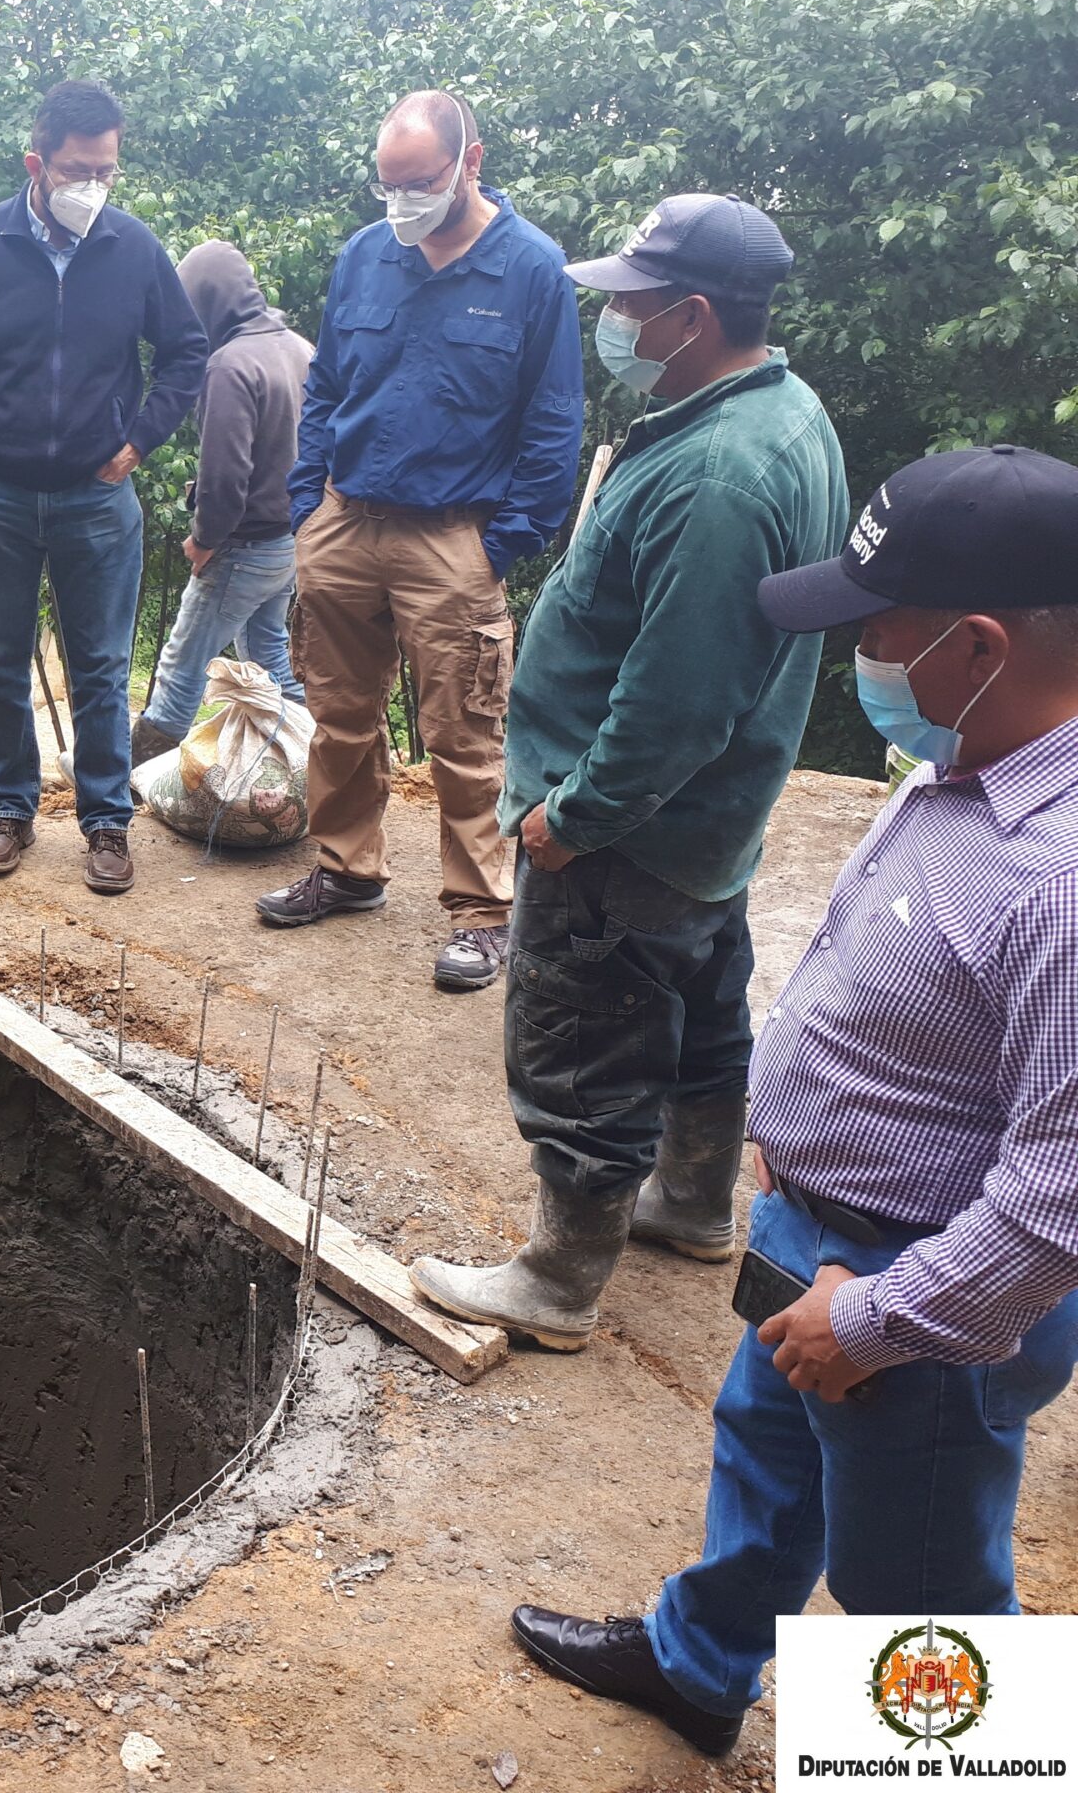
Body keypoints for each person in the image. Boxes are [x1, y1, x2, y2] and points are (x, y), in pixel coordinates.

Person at [510, 445, 1078, 1756]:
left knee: (916, 1589)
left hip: (920, 1294)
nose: (857, 656)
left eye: (878, 631)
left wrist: (873, 1321)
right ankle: (697, 1666)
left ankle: (956, 1774)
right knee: (767, 1463)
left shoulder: (1059, 880)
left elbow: (1059, 1195)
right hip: (818, 1234)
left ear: (978, 646)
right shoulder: (966, 767)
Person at [407, 194, 845, 1349]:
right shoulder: (783, 414)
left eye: (632, 304)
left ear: (691, 315)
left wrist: (573, 816)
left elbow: (676, 698)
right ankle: (692, 1201)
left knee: (582, 1040)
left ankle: (557, 1282)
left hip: (627, 830)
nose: (615, 322)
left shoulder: (718, 475)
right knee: (697, 1012)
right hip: (704, 823)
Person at [261, 92, 585, 989]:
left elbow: (554, 418)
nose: (402, 201)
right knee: (337, 716)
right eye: (388, 184)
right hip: (344, 522)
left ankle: (482, 913)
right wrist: (308, 504)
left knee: (466, 734)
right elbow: (326, 386)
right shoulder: (365, 255)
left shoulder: (532, 269)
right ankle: (346, 869)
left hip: (452, 538)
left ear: (470, 162)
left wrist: (505, 543)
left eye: (420, 182)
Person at [0, 79, 208, 895]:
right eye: (78, 170)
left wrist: (138, 442)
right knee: (0, 665)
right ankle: (11, 811)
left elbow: (185, 352)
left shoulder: (133, 248)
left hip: (97, 499)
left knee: (102, 670)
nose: (93, 187)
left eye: (106, 171)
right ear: (36, 164)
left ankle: (106, 824)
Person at [130, 240, 312, 765]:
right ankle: (314, 760)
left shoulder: (229, 366)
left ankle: (128, 776)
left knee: (182, 664)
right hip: (290, 539)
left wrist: (205, 538)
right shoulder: (299, 349)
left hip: (244, 544)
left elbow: (225, 475)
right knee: (268, 652)